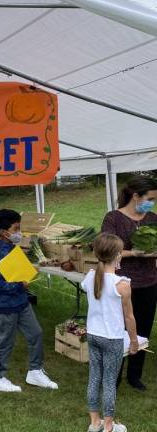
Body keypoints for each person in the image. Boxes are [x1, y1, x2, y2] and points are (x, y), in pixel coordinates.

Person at [0, 209, 58, 392]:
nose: (20, 232)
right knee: (5, 340)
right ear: (4, 232)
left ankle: (35, 371)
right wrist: (21, 284)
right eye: (16, 228)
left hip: (20, 302)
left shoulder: (9, 246)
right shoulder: (0, 252)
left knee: (35, 333)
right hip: (6, 305)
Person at [101, 175, 157, 391]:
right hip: (121, 283)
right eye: (150, 198)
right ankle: (113, 377)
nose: (152, 203)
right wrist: (134, 252)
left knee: (142, 331)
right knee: (118, 331)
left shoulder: (152, 218)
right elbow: (107, 251)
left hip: (149, 283)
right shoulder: (113, 218)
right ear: (135, 196)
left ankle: (135, 375)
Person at [83, 233, 138, 432]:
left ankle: (94, 423)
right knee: (108, 382)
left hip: (93, 335)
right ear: (117, 256)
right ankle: (108, 426)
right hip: (112, 338)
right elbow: (129, 317)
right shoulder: (122, 284)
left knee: (94, 377)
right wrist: (133, 341)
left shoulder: (89, 277)